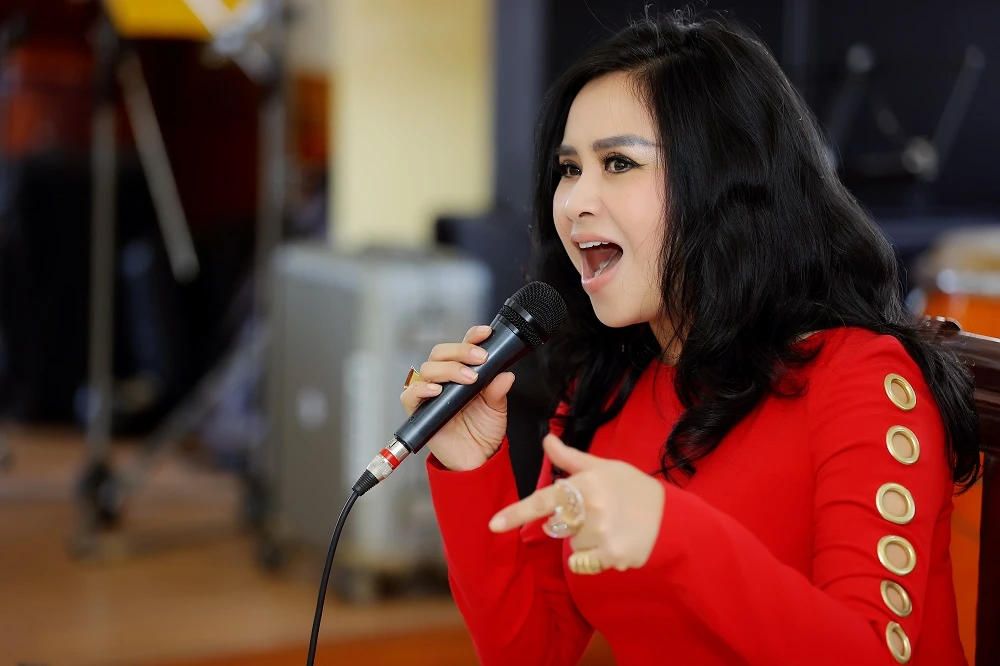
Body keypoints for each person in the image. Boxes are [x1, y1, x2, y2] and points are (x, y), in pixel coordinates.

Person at [400, 10, 981, 666]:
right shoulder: (608, 385)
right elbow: (532, 651)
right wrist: (470, 466)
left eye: (618, 163)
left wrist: (671, 533)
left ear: (723, 185)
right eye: (568, 168)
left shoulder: (862, 379)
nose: (573, 201)